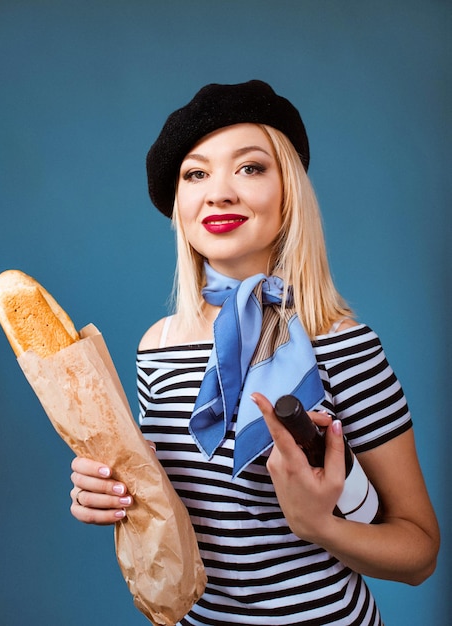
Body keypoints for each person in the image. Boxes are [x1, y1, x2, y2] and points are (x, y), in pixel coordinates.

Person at [70, 80, 440, 625]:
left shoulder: (341, 342)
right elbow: (174, 509)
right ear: (180, 204)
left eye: (249, 167)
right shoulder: (158, 347)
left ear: (289, 189)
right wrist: (109, 496)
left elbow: (420, 553)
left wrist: (321, 527)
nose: (218, 193)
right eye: (196, 173)